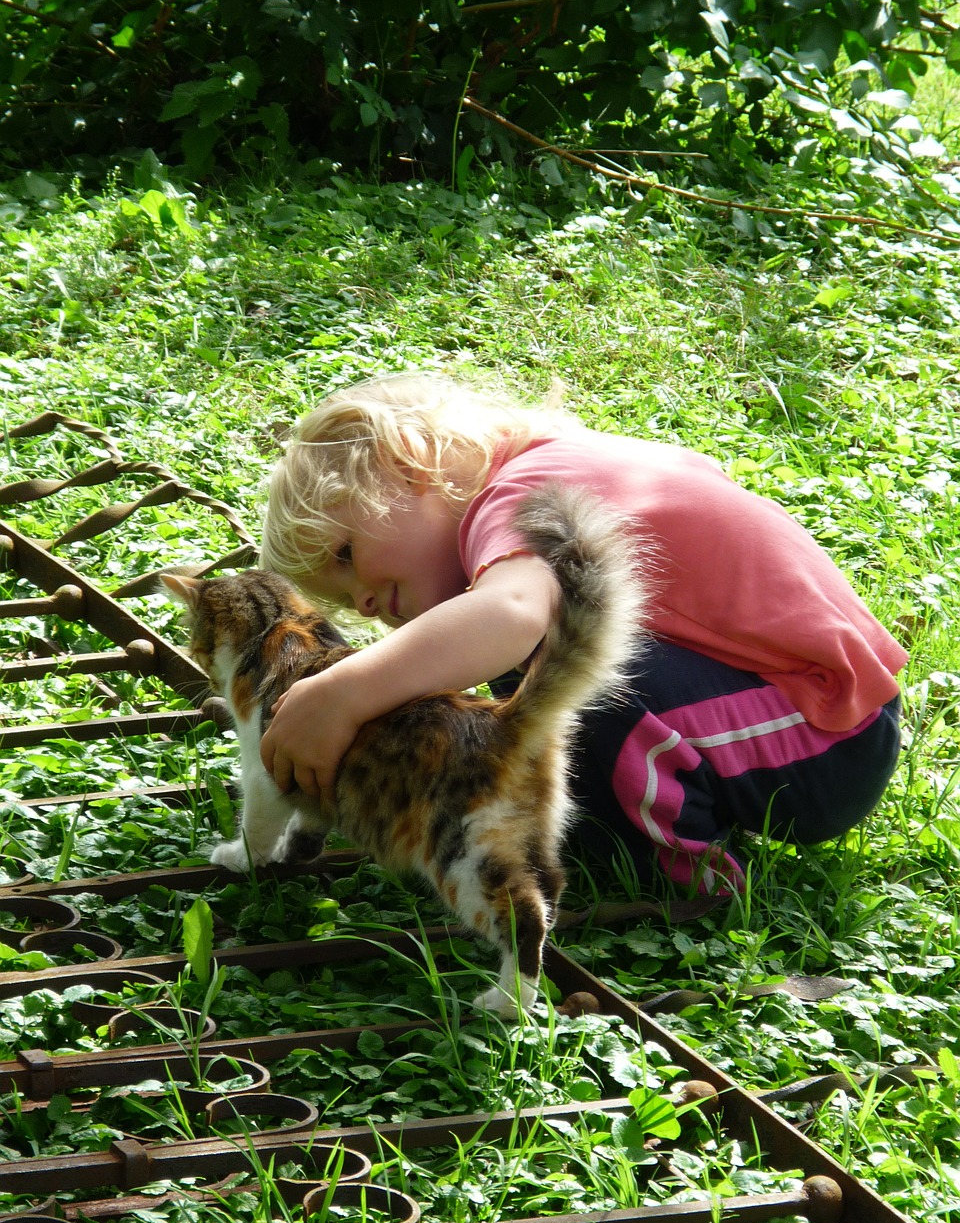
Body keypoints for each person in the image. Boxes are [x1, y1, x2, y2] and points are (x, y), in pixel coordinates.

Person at [258, 373, 906, 895]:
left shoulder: (515, 498)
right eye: (347, 602)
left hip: (825, 731)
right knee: (541, 675)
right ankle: (632, 819)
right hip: (798, 710)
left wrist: (344, 693)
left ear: (411, 463)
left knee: (564, 672)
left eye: (345, 554)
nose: (365, 601)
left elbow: (510, 618)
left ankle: (682, 876)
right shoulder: (565, 465)